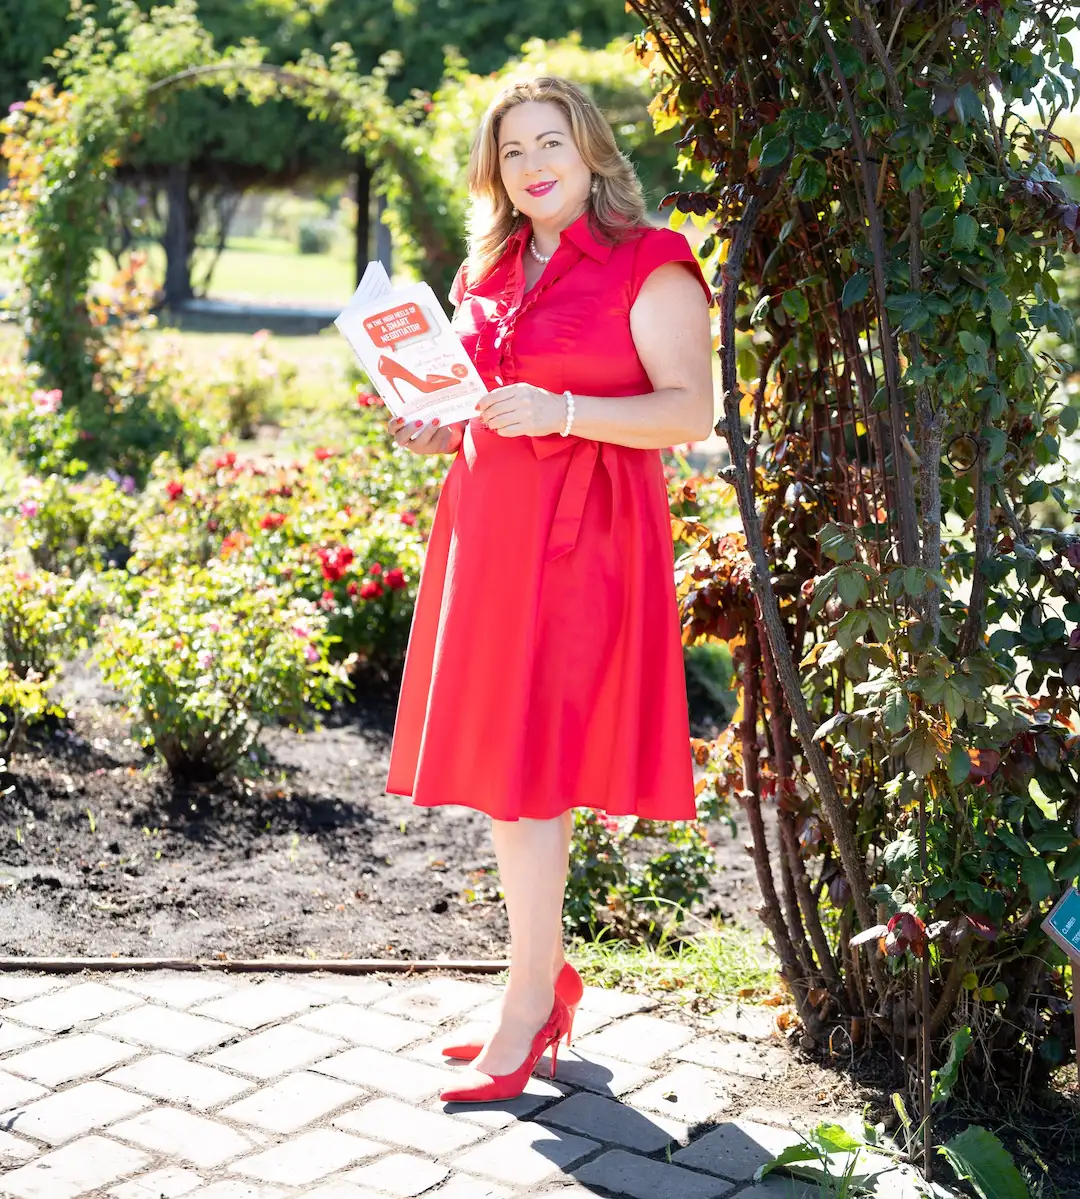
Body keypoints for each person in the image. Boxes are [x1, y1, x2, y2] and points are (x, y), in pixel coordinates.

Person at [383, 76, 714, 1103]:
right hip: (486, 530)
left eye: (549, 143)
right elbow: (485, 401)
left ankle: (530, 1001)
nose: (532, 165)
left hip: (585, 543)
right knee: (505, 769)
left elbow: (689, 411)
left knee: (534, 768)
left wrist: (564, 409)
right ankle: (538, 979)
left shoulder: (647, 260)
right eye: (513, 150)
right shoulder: (487, 265)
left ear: (591, 151)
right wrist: (439, 423)